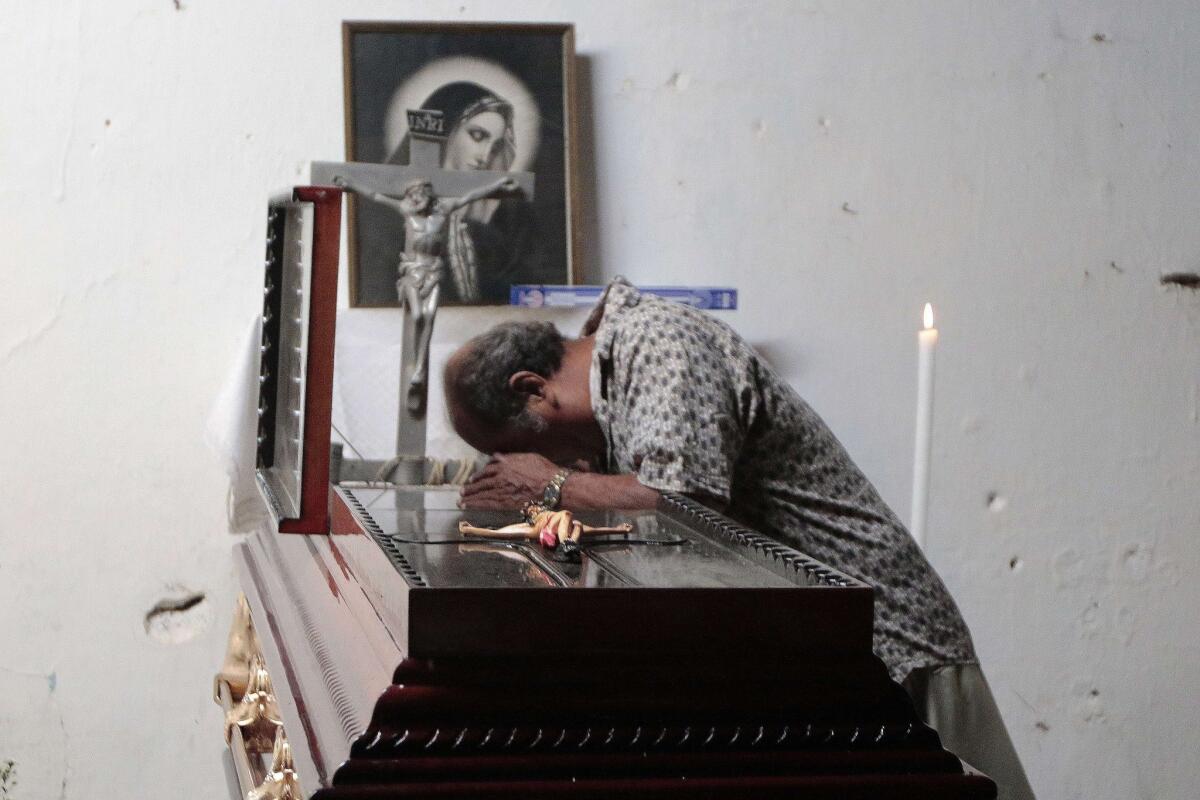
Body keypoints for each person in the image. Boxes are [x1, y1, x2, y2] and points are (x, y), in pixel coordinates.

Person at [443, 278, 1036, 800]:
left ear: (532, 390)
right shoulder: (615, 369)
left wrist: (552, 484)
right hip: (816, 661)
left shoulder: (659, 342)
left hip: (891, 647)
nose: (519, 466)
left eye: (512, 450)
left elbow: (689, 507)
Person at [334, 173, 520, 410]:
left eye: (421, 193)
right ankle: (415, 365)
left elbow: (470, 196)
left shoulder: (443, 211)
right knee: (418, 316)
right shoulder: (407, 211)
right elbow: (375, 196)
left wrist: (497, 185)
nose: (417, 198)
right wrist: (350, 184)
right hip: (413, 272)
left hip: (433, 272)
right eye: (413, 194)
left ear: (428, 194)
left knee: (430, 316)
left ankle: (419, 368)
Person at [388, 81, 537, 304]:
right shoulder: (389, 224)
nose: (484, 156)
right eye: (477, 136)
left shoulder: (489, 234)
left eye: (495, 146)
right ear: (449, 130)